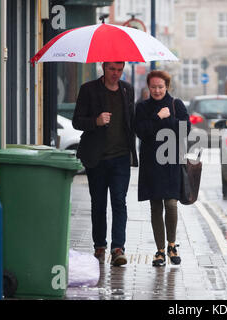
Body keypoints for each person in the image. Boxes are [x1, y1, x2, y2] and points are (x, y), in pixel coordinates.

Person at [72, 61, 138, 266]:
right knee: (98, 203)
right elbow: (76, 121)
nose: (116, 74)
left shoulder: (127, 90)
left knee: (119, 201)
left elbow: (132, 121)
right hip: (97, 157)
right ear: (103, 67)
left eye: (119, 70)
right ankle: (99, 245)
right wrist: (96, 121)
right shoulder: (88, 89)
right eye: (112, 69)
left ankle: (118, 248)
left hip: (120, 157)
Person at [135, 70, 190, 267]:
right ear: (148, 87)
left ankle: (172, 245)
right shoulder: (142, 107)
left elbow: (185, 130)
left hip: (172, 161)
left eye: (160, 87)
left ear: (167, 86)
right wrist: (158, 117)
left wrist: (167, 119)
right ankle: (159, 251)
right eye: (153, 87)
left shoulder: (176, 105)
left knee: (171, 204)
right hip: (151, 163)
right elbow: (141, 131)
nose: (157, 91)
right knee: (156, 207)